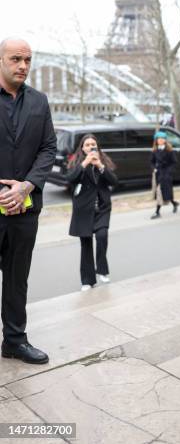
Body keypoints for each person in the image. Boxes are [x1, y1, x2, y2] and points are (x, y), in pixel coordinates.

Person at [0, 38, 57, 364]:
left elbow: (48, 147)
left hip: (25, 208)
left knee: (17, 279)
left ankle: (14, 341)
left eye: (28, 60)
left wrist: (26, 186)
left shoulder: (39, 101)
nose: (22, 65)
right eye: (15, 59)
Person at [67, 134, 117, 291]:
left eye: (93, 144)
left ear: (97, 147)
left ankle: (102, 270)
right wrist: (84, 163)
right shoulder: (77, 162)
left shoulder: (103, 161)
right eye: (87, 144)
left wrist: (100, 166)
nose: (90, 147)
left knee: (102, 235)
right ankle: (87, 280)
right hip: (83, 210)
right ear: (82, 148)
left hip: (102, 208)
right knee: (86, 244)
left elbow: (114, 181)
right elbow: (70, 178)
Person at [150, 131, 179, 219]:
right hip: (158, 174)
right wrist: (154, 168)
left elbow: (174, 162)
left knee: (167, 192)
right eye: (159, 139)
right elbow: (151, 161)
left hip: (166, 174)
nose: (161, 140)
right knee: (159, 191)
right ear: (156, 140)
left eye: (162, 139)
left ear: (165, 140)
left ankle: (174, 203)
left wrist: (169, 171)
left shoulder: (169, 150)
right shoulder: (155, 150)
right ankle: (158, 211)